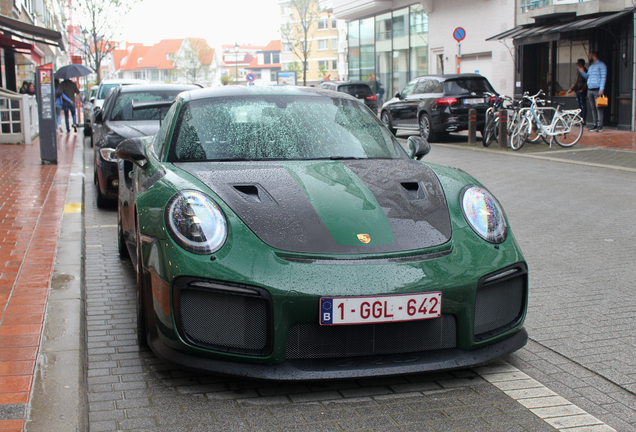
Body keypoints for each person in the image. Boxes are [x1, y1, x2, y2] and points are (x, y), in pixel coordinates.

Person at [580, 51, 607, 132]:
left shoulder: (602, 65)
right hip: (590, 89)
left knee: (598, 108)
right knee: (593, 108)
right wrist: (582, 72)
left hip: (597, 89)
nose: (589, 57)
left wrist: (601, 89)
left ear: (594, 55)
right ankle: (595, 124)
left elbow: (603, 77)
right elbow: (587, 77)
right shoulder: (591, 66)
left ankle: (600, 125)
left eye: (590, 55)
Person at [566, 59, 587, 125]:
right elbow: (576, 82)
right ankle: (579, 119)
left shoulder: (585, 71)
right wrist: (571, 89)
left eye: (579, 64)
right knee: (579, 106)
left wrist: (583, 89)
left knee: (583, 105)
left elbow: (587, 82)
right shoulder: (578, 72)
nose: (578, 66)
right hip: (577, 91)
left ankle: (583, 120)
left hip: (582, 91)